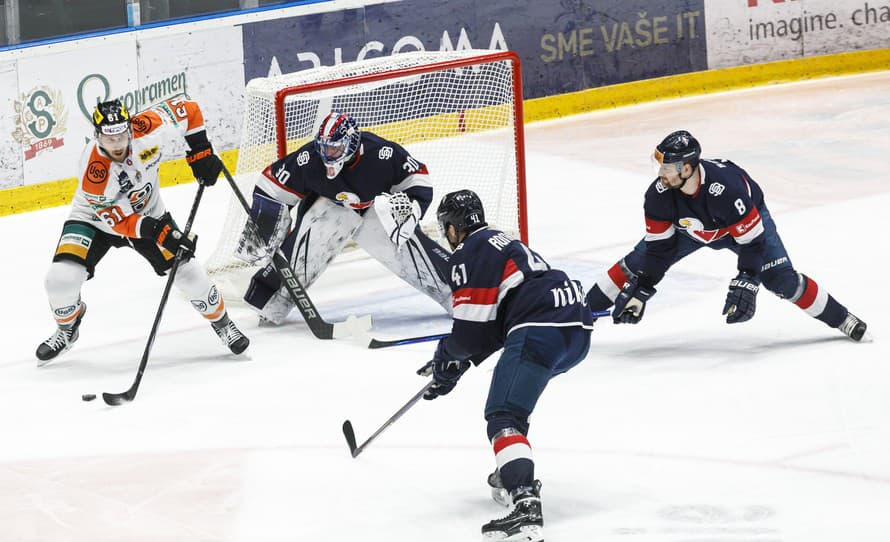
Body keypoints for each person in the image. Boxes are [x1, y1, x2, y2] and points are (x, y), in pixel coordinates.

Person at [417, 189, 594, 542]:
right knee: (515, 404)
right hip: (576, 328)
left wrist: (446, 358)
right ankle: (511, 470)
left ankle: (525, 501)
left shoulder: (470, 251)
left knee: (503, 416)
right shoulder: (503, 241)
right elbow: (493, 329)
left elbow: (469, 335)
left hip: (540, 328)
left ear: (452, 228)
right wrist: (457, 364)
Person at [586, 130, 868, 340]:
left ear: (687, 168)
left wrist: (748, 279)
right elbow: (658, 250)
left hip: (740, 226)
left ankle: (842, 319)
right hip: (692, 229)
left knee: (780, 279)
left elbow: (753, 243)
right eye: (660, 165)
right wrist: (643, 288)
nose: (661, 173)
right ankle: (579, 316)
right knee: (637, 264)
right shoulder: (658, 195)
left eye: (667, 167)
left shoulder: (727, 190)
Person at [36, 97, 250, 365]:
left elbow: (191, 110)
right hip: (94, 220)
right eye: (108, 139)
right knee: (59, 280)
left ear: (130, 129)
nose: (116, 145)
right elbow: (117, 222)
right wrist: (159, 232)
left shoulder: (148, 126)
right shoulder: (93, 170)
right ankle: (68, 330)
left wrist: (200, 151)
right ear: (97, 135)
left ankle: (222, 324)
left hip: (149, 213)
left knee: (189, 273)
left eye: (121, 136)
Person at [236, 111, 452, 324]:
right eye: (324, 148)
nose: (327, 154)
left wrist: (412, 212)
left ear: (352, 143)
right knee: (307, 249)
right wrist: (265, 224)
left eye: (335, 148)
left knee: (401, 236)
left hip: (372, 209)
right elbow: (272, 185)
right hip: (327, 211)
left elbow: (417, 178)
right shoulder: (310, 159)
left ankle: (456, 293)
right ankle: (271, 301)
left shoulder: (381, 153)